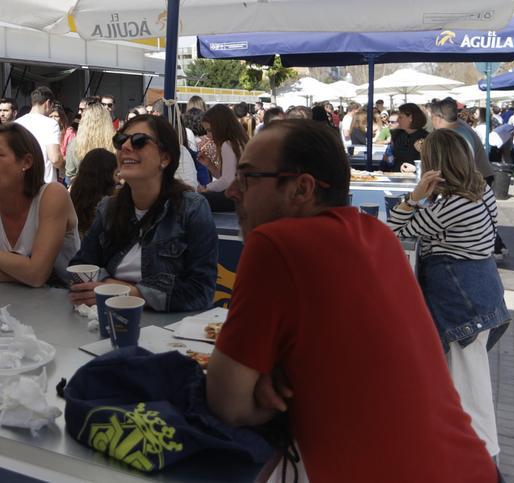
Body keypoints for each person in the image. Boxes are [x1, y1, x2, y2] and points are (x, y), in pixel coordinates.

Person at [206, 119, 496, 481]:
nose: (233, 190)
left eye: (247, 177)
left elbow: (226, 403)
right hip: (472, 469)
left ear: (302, 188)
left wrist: (269, 402)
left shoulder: (276, 244)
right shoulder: (378, 236)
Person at [385, 128, 508, 459]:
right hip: (484, 294)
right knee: (464, 383)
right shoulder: (481, 192)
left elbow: (394, 231)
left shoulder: (450, 206)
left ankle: (483, 463)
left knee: (470, 390)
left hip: (460, 302)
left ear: (434, 165)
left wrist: (413, 197)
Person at [67, 115, 217, 312]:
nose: (126, 147)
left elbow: (201, 291)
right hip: (102, 322)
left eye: (139, 141)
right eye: (120, 140)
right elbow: (81, 267)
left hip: (170, 333)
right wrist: (113, 289)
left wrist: (130, 293)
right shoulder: (108, 208)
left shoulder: (192, 209)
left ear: (165, 158)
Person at [0, 124, 79, 286]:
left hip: (69, 302)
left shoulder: (53, 195)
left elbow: (36, 275)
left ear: (26, 162)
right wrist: (25, 273)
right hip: (15, 303)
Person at [13, 86, 63, 185]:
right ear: (48, 103)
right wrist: (64, 164)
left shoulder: (16, 124)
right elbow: (55, 159)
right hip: (44, 185)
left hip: (22, 184)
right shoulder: (50, 124)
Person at [198, 105, 247, 195]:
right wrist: (209, 164)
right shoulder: (239, 141)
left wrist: (206, 188)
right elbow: (226, 176)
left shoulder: (227, 145)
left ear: (220, 127)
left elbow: (227, 181)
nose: (208, 135)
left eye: (210, 130)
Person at [69, 149, 118, 239]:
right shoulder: (107, 206)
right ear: (107, 177)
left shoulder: (73, 195)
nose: (118, 180)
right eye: (116, 174)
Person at [65, 104, 116, 183]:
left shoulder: (74, 143)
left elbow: (70, 174)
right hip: (110, 189)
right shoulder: (114, 142)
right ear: (107, 120)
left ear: (84, 120)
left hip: (84, 190)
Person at [388, 103, 428, 172]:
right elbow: (388, 157)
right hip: (396, 176)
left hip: (416, 178)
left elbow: (432, 163)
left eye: (400, 117)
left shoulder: (426, 137)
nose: (397, 120)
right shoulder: (396, 134)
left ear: (410, 118)